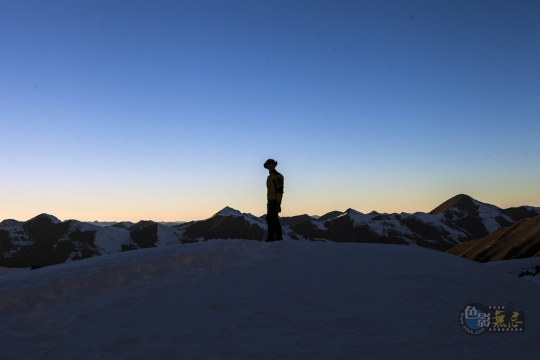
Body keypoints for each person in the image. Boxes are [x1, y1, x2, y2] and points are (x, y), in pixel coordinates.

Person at [263, 159, 284, 241]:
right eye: (269, 164)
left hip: (274, 201)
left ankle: (272, 237)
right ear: (267, 166)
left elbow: (280, 191)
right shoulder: (269, 177)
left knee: (271, 219)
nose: (270, 166)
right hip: (270, 200)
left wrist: (278, 203)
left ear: (275, 165)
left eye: (272, 164)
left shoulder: (278, 176)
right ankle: (277, 238)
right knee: (273, 219)